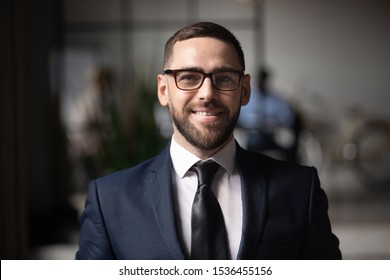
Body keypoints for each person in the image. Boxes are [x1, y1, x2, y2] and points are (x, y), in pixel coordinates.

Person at [75, 22, 341, 260]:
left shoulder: (300, 190)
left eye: (223, 78)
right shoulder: (110, 199)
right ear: (163, 90)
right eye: (189, 77)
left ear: (244, 90)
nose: (207, 94)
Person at [238, 67, 300, 162]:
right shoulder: (247, 97)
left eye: (263, 79)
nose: (261, 82)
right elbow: (240, 119)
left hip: (270, 136)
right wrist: (254, 124)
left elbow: (288, 117)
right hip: (252, 138)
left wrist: (276, 122)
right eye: (259, 79)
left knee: (290, 153)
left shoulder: (275, 98)